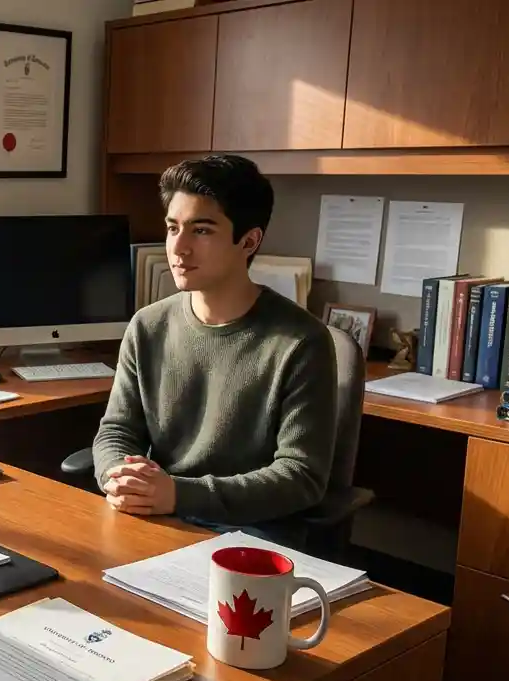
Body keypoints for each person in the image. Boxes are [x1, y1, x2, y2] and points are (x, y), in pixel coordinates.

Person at [92, 155, 337, 541]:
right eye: (173, 228)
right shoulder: (148, 326)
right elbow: (117, 431)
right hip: (159, 519)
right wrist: (118, 477)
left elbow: (300, 477)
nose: (179, 248)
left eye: (201, 231)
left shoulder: (301, 342)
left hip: (251, 534)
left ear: (249, 240)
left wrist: (179, 494)